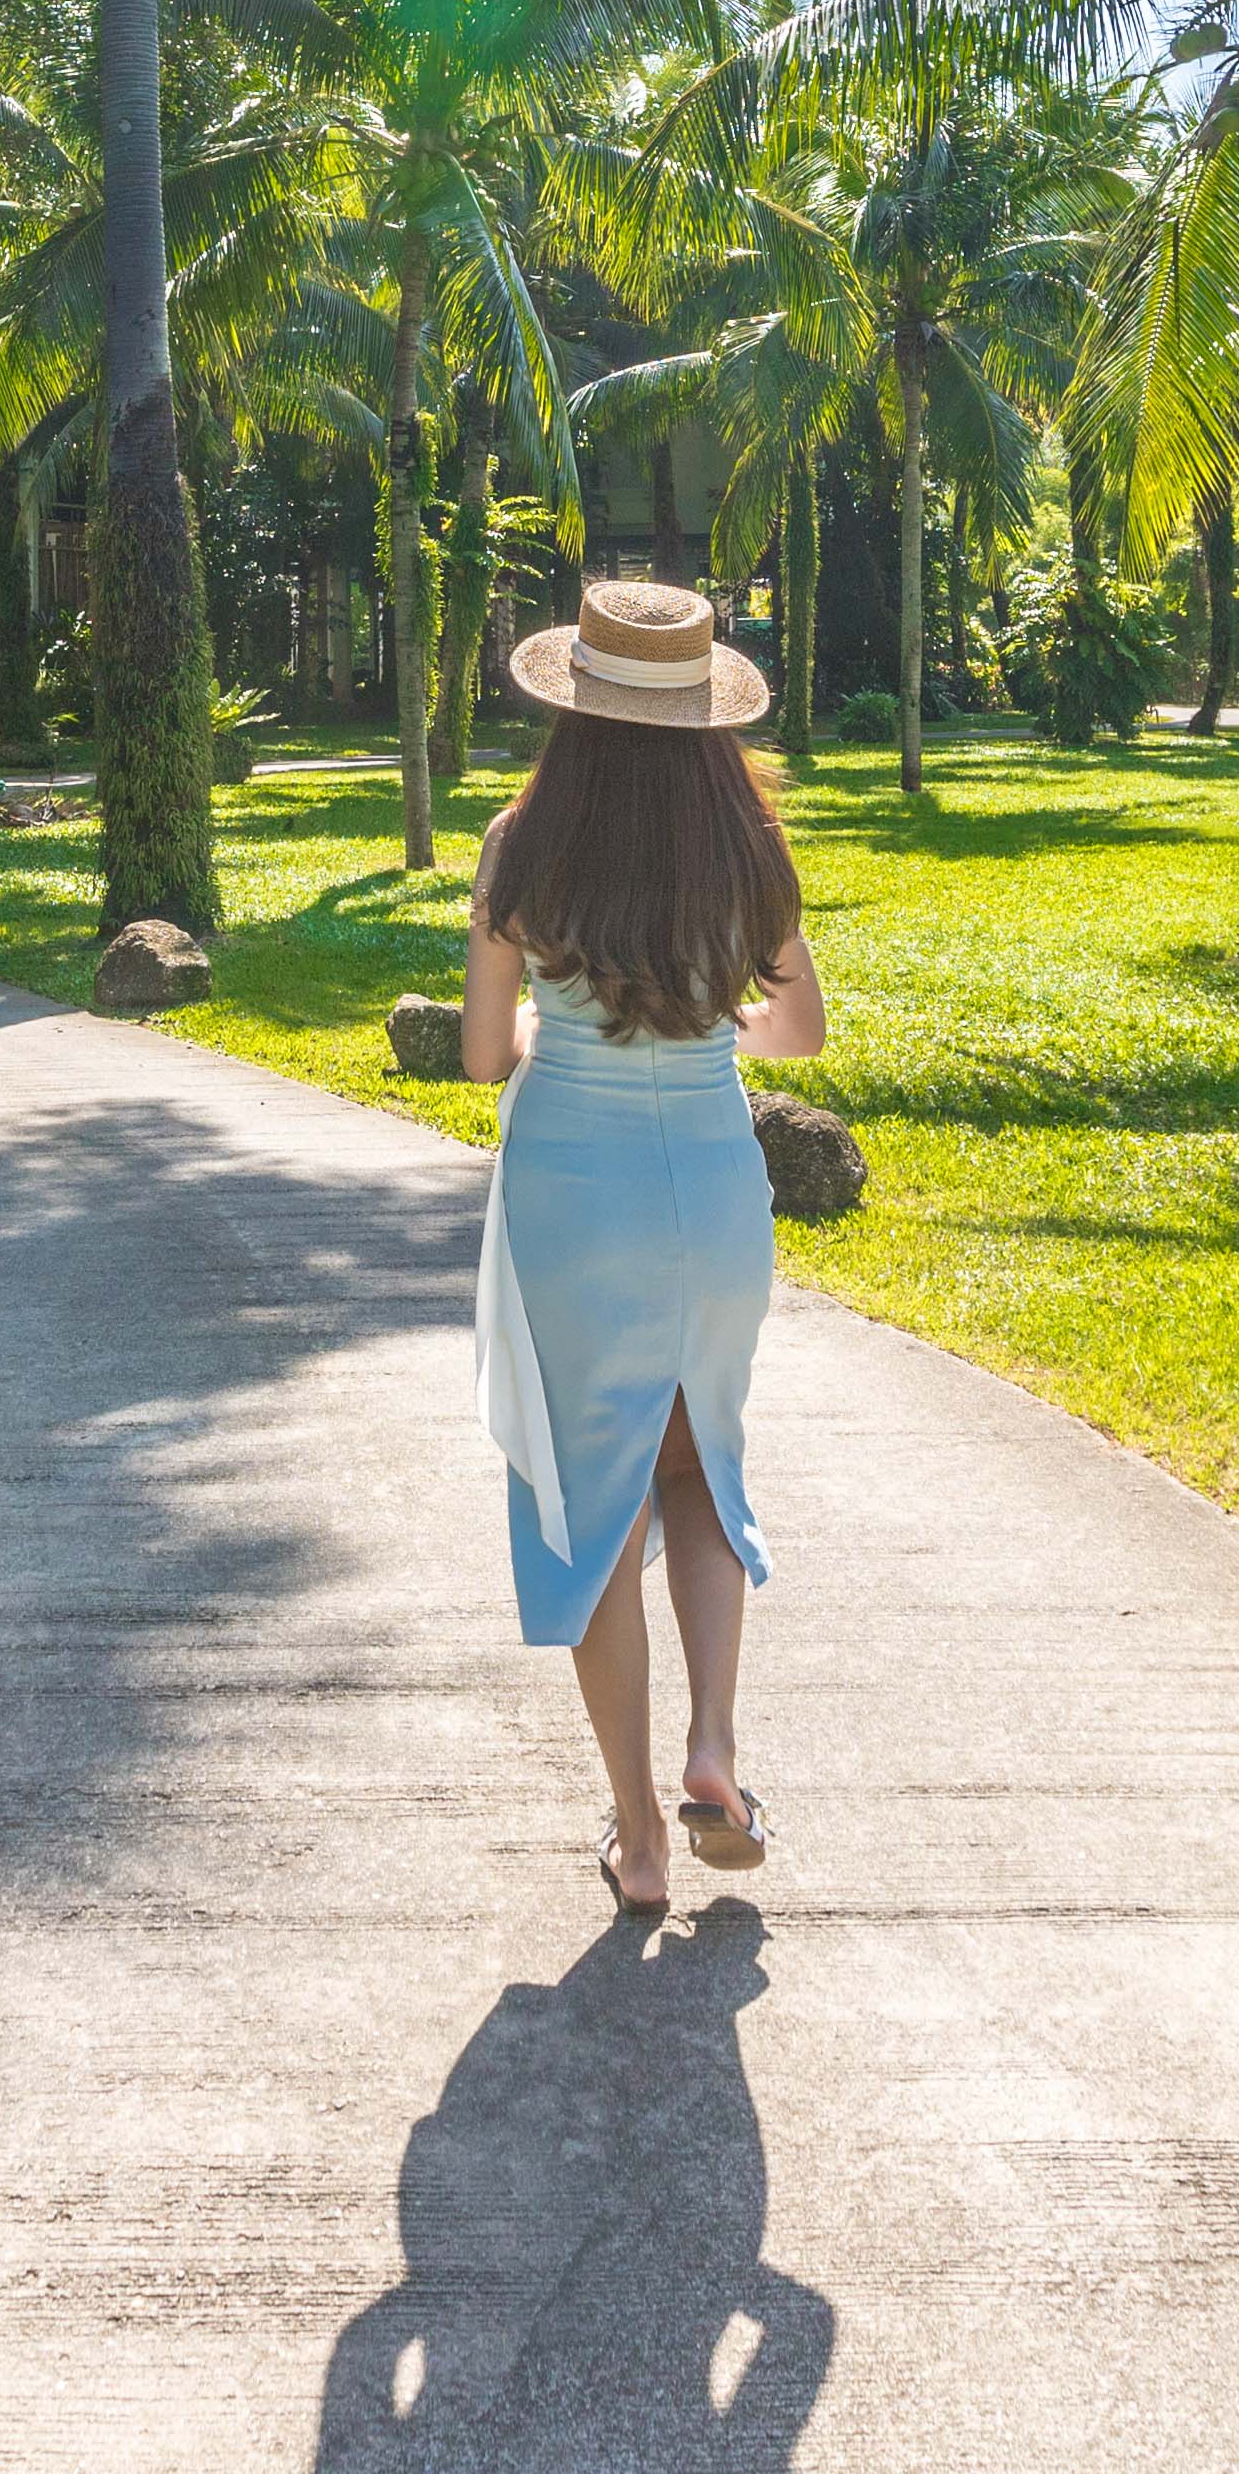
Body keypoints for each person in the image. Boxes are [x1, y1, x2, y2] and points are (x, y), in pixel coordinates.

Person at [464, 575, 829, 1915]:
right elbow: (796, 1035)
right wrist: (706, 1026)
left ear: (573, 701)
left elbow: (477, 1050)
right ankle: (715, 1749)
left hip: (573, 1188)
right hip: (713, 1190)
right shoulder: (747, 848)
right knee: (701, 1464)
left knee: (592, 1499)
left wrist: (553, 1041)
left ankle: (643, 1838)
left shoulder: (524, 840)